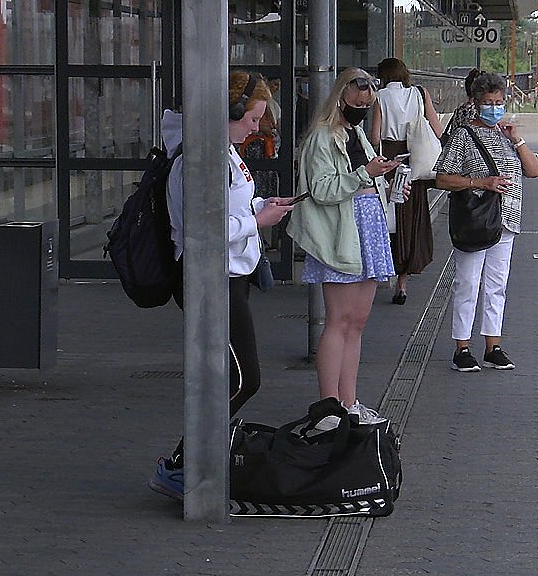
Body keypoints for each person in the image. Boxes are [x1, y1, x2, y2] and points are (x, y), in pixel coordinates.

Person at [150, 70, 297, 498]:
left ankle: (191, 461)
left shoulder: (222, 153)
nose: (256, 127)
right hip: (211, 281)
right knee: (238, 379)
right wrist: (257, 220)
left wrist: (259, 206)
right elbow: (202, 228)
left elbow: (223, 208)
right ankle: (181, 464)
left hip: (230, 276)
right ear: (227, 113)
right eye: (251, 118)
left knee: (234, 377)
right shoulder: (198, 160)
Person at [289, 68, 398, 424]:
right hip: (341, 230)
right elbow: (322, 188)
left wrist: (386, 179)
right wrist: (367, 174)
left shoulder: (356, 133)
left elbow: (364, 175)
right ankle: (329, 406)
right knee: (338, 320)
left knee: (357, 322)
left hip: (364, 227)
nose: (362, 108)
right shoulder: (323, 138)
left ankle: (349, 403)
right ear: (340, 97)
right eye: (356, 101)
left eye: (367, 103)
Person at [434, 71, 538, 373]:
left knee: (497, 285)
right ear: (476, 103)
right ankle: (462, 347)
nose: (494, 107)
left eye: (499, 102)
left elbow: (533, 171)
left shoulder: (507, 136)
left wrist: (517, 139)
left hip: (507, 220)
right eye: (488, 102)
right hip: (477, 221)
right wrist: (481, 182)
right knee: (467, 283)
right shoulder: (463, 136)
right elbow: (442, 178)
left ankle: (493, 345)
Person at [371, 57, 439, 305]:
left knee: (389, 213)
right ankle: (403, 281)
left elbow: (375, 135)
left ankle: (385, 268)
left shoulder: (380, 97)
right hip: (416, 158)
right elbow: (436, 126)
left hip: (389, 158)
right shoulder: (420, 93)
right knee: (412, 216)